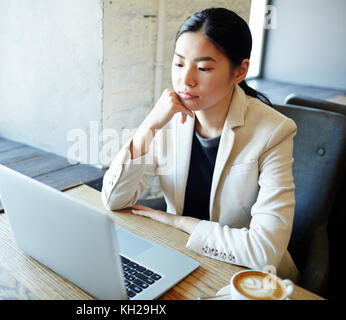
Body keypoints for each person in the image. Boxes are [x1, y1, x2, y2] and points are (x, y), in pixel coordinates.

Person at [101, 7, 300, 282]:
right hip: (179, 257)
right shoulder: (168, 118)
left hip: (246, 278)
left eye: (204, 68)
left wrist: (178, 222)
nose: (186, 80)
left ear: (240, 71)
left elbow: (263, 251)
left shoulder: (274, 132)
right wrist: (149, 125)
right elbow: (114, 200)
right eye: (179, 64)